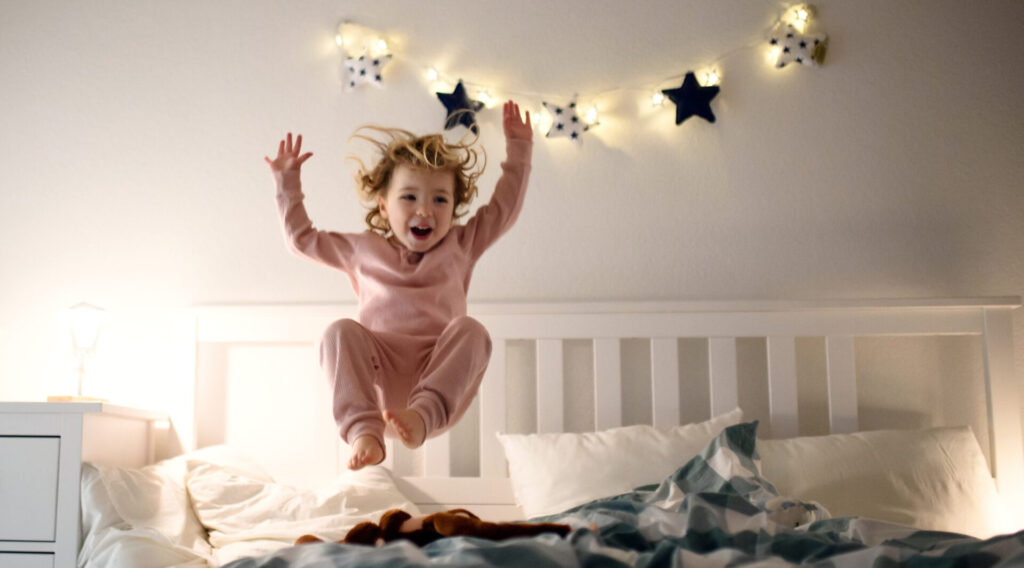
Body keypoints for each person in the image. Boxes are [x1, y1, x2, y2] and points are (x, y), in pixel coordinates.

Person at [265, 101, 533, 470]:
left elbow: (503, 209)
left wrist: (519, 150)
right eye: (409, 197)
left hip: (436, 379)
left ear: (454, 208)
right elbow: (302, 240)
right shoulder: (363, 249)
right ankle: (365, 433)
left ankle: (421, 416)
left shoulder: (461, 245)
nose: (425, 210)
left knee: (472, 331)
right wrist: (287, 184)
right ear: (383, 205)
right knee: (339, 331)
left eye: (440, 199)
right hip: (378, 379)